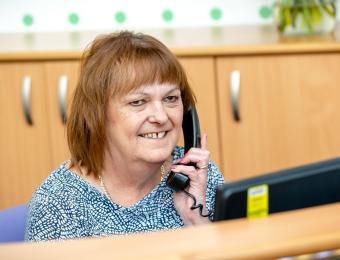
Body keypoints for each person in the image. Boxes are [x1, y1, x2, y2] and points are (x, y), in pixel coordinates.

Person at [25, 31, 224, 241]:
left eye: (171, 98)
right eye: (138, 102)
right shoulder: (58, 204)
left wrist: (196, 221)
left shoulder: (197, 175)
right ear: (98, 115)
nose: (161, 116)